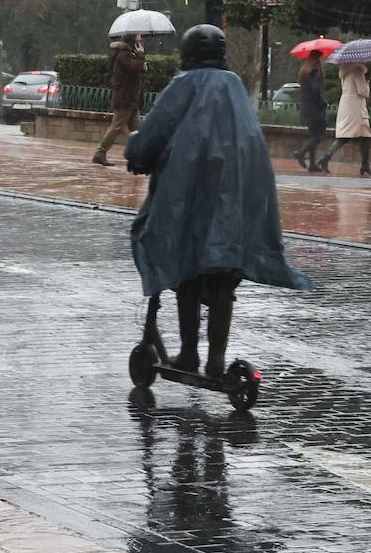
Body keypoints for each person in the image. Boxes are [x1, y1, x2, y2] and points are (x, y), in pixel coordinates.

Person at [125, 24, 312, 377]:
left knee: (187, 271)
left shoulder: (185, 85)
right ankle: (216, 360)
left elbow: (156, 129)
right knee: (224, 276)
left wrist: (136, 152)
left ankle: (189, 354)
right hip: (238, 194)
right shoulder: (235, 86)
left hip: (191, 194)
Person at [93, 33, 147, 166]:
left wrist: (140, 60)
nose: (140, 40)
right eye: (138, 37)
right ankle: (100, 153)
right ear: (132, 40)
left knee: (137, 131)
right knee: (116, 127)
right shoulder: (123, 56)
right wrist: (141, 57)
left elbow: (137, 70)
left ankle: (139, 156)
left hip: (131, 99)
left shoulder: (129, 55)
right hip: (125, 99)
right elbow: (135, 68)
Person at [315, 61, 371, 176]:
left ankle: (325, 158)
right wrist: (367, 83)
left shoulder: (345, 72)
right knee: (365, 136)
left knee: (346, 136)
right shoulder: (358, 72)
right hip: (356, 108)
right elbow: (363, 92)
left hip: (347, 106)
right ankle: (365, 165)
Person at [293, 51, 328, 172]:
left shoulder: (304, 71)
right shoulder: (315, 72)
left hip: (306, 108)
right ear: (318, 59)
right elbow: (315, 90)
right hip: (315, 109)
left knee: (313, 135)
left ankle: (312, 164)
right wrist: (323, 103)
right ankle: (301, 153)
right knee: (320, 135)